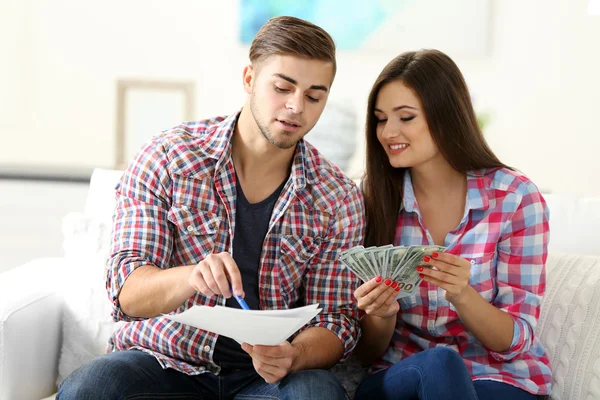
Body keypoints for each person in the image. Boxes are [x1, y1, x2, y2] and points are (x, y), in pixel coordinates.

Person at [58, 16, 365, 400]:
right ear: (249, 79)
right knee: (93, 387)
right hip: (163, 360)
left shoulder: (336, 196)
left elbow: (337, 319)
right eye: (283, 87)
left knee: (317, 394)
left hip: (264, 380)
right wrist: (191, 277)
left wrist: (295, 354)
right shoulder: (171, 156)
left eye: (314, 96)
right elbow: (127, 293)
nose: (295, 107)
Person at [352, 49, 551, 400]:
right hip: (403, 374)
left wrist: (463, 294)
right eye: (381, 119)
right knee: (440, 364)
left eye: (406, 117)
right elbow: (366, 353)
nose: (388, 132)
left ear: (445, 117)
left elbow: (515, 340)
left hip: (495, 375)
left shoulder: (514, 198)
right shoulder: (371, 198)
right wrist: (381, 315)